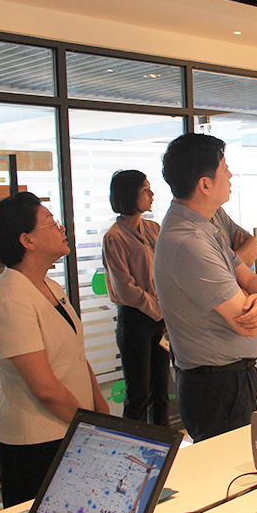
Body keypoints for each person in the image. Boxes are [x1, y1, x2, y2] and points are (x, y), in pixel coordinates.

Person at [0, 192, 110, 507]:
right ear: (27, 240)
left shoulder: (49, 286)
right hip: (36, 443)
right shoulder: (10, 300)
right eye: (51, 223)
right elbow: (45, 389)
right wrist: (89, 424)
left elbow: (75, 356)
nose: (61, 228)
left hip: (71, 429)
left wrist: (100, 407)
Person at [154, 133, 257, 443]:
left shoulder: (206, 226)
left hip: (230, 378)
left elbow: (252, 280)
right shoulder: (189, 242)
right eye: (224, 168)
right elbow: (245, 320)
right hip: (216, 385)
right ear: (205, 184)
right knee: (231, 466)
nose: (230, 175)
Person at [102, 170, 170, 426]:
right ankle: (132, 443)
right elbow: (124, 289)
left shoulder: (153, 228)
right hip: (135, 319)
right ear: (130, 194)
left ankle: (164, 442)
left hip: (160, 316)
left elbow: (167, 271)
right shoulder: (114, 237)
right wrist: (159, 310)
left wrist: (165, 312)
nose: (151, 194)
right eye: (145, 190)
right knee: (138, 393)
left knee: (161, 391)